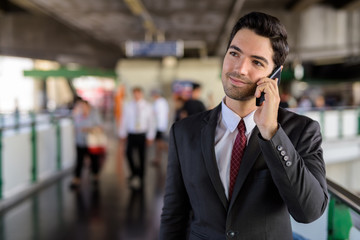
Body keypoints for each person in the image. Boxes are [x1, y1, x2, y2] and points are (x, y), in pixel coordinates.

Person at [160, 12, 328, 239]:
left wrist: (272, 133)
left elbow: (309, 211)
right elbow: (174, 214)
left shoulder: (301, 131)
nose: (239, 68)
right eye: (234, 53)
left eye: (256, 62)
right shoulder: (184, 132)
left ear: (274, 76)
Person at [118, 87, 156, 189]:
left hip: (142, 134)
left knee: (142, 156)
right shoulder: (128, 106)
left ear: (142, 94)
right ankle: (134, 172)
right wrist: (122, 134)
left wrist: (150, 136)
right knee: (128, 153)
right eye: (135, 94)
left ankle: (141, 176)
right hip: (131, 133)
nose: (136, 96)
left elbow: (151, 122)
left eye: (138, 94)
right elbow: (124, 120)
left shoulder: (148, 106)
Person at [70, 98, 103, 189]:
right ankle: (77, 178)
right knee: (79, 161)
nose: (83, 108)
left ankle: (95, 175)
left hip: (91, 142)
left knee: (94, 160)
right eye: (81, 106)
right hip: (80, 141)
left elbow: (100, 127)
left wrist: (88, 129)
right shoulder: (78, 116)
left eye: (84, 106)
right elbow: (75, 127)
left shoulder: (94, 115)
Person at [151, 89, 169, 167]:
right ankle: (158, 158)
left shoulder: (158, 102)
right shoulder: (163, 102)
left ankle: (172, 153)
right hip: (161, 125)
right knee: (158, 143)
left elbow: (154, 113)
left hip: (158, 125)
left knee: (159, 143)